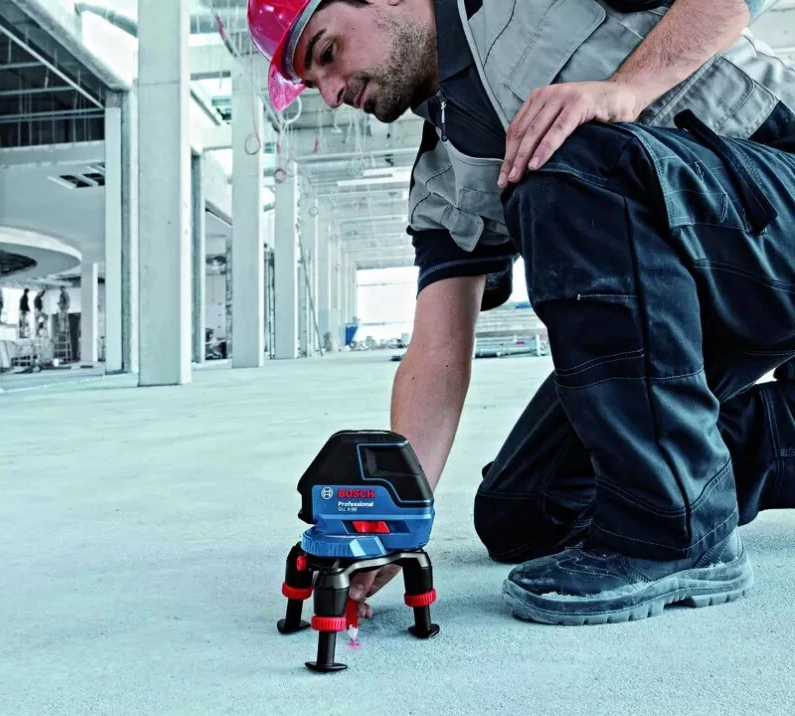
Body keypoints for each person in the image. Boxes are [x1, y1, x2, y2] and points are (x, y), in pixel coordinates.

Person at [248, 0, 795, 625]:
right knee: (527, 510)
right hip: (698, 302)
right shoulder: (443, 179)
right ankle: (716, 469)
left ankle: (675, 534)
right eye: (314, 85)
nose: (331, 94)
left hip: (777, 210)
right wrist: (395, 514)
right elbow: (438, 351)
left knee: (562, 149)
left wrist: (624, 89)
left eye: (326, 53)